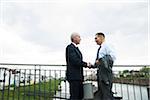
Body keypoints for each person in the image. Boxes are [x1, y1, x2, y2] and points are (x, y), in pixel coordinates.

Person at [91, 32, 116, 100]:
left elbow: (112, 57)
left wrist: (100, 60)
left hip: (106, 74)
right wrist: (93, 65)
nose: (95, 40)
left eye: (96, 38)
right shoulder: (101, 48)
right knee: (102, 92)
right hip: (101, 73)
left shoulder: (107, 46)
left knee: (106, 93)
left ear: (101, 37)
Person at [65, 32, 89, 100]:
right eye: (79, 37)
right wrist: (86, 64)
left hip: (78, 76)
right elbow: (75, 61)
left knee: (80, 96)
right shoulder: (70, 47)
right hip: (74, 76)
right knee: (75, 96)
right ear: (74, 38)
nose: (80, 39)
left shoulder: (75, 48)